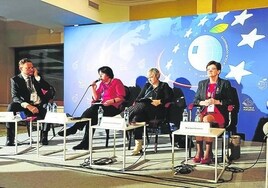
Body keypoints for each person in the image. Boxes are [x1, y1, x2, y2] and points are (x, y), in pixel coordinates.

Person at [58, 66, 126, 150]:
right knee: (91, 118)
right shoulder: (102, 84)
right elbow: (96, 98)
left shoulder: (116, 81)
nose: (100, 77)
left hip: (114, 108)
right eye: (99, 75)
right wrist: (93, 88)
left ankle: (75, 128)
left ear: (108, 74)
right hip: (104, 107)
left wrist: (111, 101)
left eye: (101, 74)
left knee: (94, 109)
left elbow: (122, 97)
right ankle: (85, 143)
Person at [7, 58, 54, 146]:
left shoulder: (36, 77)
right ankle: (10, 138)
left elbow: (47, 87)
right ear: (21, 68)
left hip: (39, 105)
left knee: (47, 107)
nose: (31, 69)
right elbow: (15, 97)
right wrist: (28, 106)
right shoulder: (15, 80)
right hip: (26, 107)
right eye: (28, 68)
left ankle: (44, 136)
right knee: (11, 106)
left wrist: (37, 77)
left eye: (32, 67)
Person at [192, 60, 233, 164]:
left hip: (219, 113)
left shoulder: (224, 83)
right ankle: (199, 151)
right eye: (208, 69)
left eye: (213, 69)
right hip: (204, 111)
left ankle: (208, 153)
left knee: (206, 119)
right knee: (199, 119)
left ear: (218, 71)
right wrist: (202, 102)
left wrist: (217, 101)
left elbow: (230, 100)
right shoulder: (202, 84)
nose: (210, 71)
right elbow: (196, 100)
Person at [128, 68, 173, 155]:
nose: (149, 79)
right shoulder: (147, 86)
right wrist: (144, 101)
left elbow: (169, 98)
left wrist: (159, 101)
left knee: (143, 106)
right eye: (148, 77)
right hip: (145, 111)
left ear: (157, 76)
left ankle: (125, 116)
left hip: (158, 111)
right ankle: (138, 145)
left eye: (151, 77)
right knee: (137, 117)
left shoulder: (164, 86)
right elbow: (138, 98)